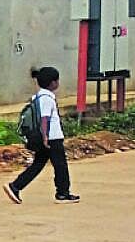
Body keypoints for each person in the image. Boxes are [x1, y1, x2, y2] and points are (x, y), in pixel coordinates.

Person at [4, 66, 80, 205]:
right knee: (60, 165)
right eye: (57, 80)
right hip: (51, 138)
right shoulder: (46, 98)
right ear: (52, 83)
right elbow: (44, 119)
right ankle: (62, 193)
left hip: (49, 138)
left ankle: (16, 186)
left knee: (38, 164)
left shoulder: (39, 97)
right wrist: (45, 137)